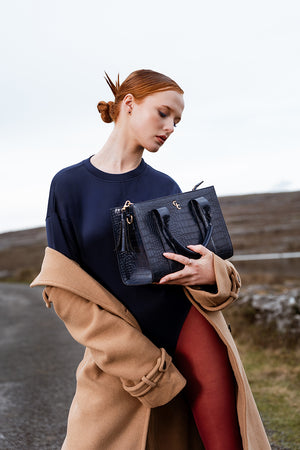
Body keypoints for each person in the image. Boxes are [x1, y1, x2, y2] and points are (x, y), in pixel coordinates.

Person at [31, 69, 270, 449]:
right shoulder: (68, 185)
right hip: (120, 350)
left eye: (177, 120)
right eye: (163, 113)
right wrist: (135, 357)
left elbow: (191, 261)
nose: (171, 126)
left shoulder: (165, 187)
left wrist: (213, 272)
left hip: (188, 330)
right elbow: (63, 288)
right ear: (129, 105)